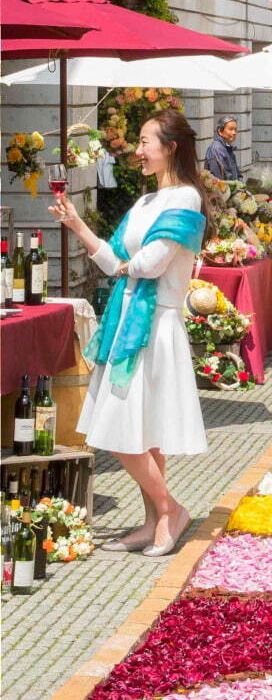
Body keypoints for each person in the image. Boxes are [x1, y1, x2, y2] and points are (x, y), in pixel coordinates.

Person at [49, 109, 208, 555]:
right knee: (142, 431)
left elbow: (150, 265)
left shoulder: (186, 199)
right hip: (129, 324)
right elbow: (115, 262)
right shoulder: (143, 204)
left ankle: (170, 510)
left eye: (144, 142)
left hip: (155, 324)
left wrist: (124, 268)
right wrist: (77, 225)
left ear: (170, 147)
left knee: (120, 429)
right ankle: (153, 522)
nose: (136, 151)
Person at [204, 116, 239, 181]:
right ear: (220, 131)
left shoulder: (228, 148)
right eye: (231, 129)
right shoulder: (216, 149)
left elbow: (238, 175)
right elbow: (219, 178)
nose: (234, 133)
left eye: (235, 130)